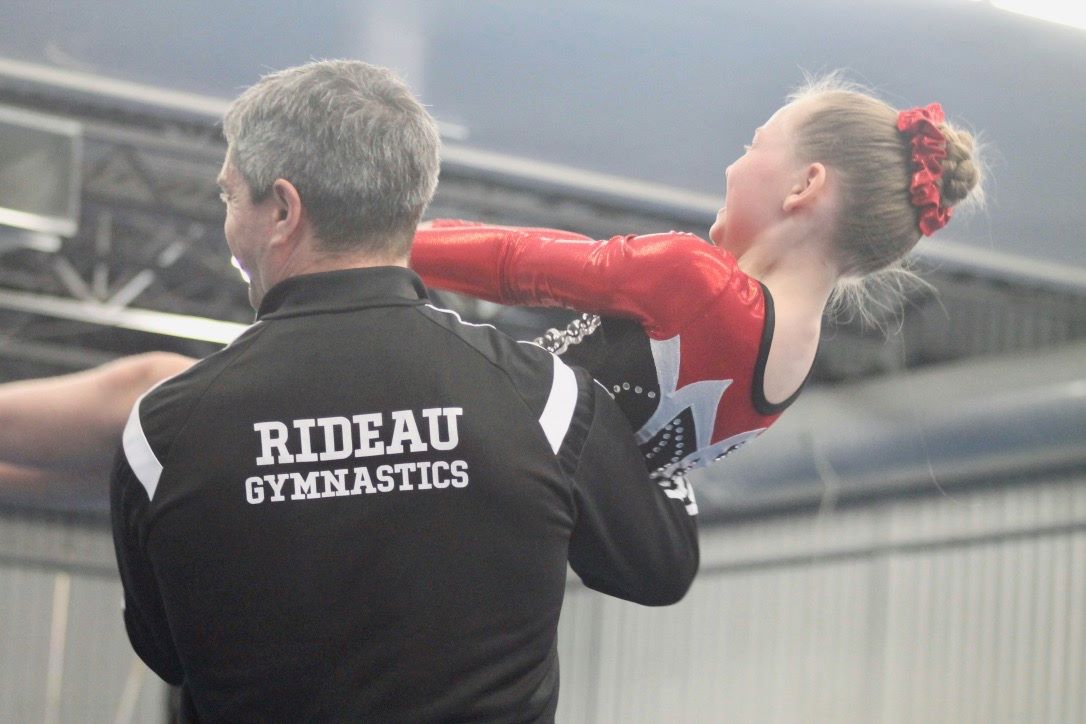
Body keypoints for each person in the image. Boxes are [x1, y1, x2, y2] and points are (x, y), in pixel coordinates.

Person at [108, 60, 697, 722]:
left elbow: (167, 651)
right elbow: (657, 569)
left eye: (227, 197)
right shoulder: (542, 401)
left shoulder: (164, 432)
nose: (227, 226)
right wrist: (660, 402)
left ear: (281, 209)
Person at [409, 76, 984, 510]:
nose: (734, 168)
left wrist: (378, 244)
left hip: (452, 467)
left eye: (754, 146)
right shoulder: (791, 368)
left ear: (805, 185)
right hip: (500, 520)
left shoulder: (700, 283)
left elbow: (514, 264)